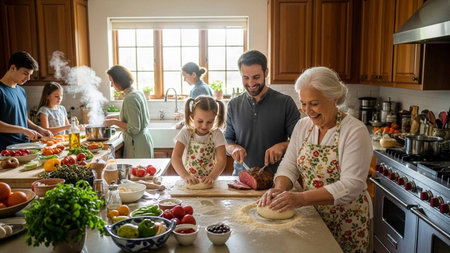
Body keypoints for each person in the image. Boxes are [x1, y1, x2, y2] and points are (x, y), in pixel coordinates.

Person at [258, 67, 373, 253]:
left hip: (346, 222)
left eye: (314, 103)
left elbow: (351, 185)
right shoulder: (303, 126)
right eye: (303, 104)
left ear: (333, 98)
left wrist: (301, 198)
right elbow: (289, 166)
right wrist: (279, 190)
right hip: (311, 216)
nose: (307, 111)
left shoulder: (354, 131)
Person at [224, 50, 300, 176]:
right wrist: (233, 148)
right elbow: (227, 140)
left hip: (277, 178)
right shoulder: (233, 105)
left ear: (266, 72)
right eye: (245, 78)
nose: (251, 83)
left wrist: (282, 146)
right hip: (241, 177)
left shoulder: (285, 102)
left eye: (256, 77)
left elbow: (300, 140)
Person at [0, 51, 53, 150]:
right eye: (25, 73)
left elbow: (23, 118)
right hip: (6, 150)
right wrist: (23, 130)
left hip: (25, 147)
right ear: (13, 68)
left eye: (30, 75)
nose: (28, 78)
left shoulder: (21, 91)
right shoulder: (1, 90)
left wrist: (39, 129)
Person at [171, 95, 227, 185]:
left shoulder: (217, 134)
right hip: (188, 182)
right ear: (192, 116)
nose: (204, 126)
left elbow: (221, 160)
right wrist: (185, 176)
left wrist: (212, 177)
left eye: (209, 122)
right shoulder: (186, 132)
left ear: (215, 118)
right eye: (200, 121)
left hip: (209, 182)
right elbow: (175, 158)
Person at [103, 65, 154, 158]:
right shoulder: (137, 92)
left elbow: (134, 128)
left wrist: (114, 122)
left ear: (119, 81)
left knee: (137, 172)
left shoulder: (130, 98)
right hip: (143, 142)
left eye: (112, 82)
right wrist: (115, 116)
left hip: (136, 146)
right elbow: (133, 115)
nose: (111, 85)